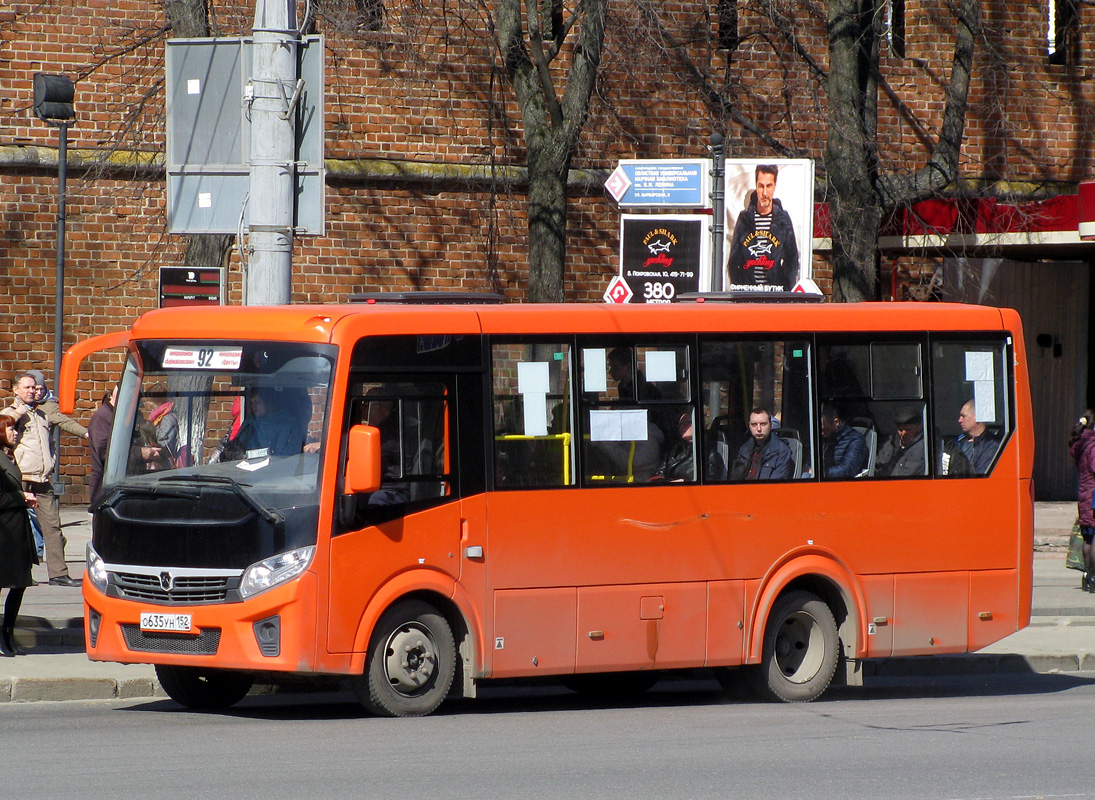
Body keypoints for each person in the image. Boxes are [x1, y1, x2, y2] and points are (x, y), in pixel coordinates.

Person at [1, 372, 83, 586]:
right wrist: (20, 411)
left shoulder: (42, 414)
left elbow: (50, 442)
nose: (31, 391)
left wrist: (52, 460)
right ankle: (21, 574)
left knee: (53, 526)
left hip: (42, 477)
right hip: (20, 479)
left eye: (33, 387)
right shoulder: (10, 414)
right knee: (18, 528)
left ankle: (58, 574)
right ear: (16, 390)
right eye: (26, 387)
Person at [727, 164, 800, 291]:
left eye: (769, 186)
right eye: (761, 186)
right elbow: (734, 260)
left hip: (775, 294)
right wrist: (741, 288)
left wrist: (786, 289)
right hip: (749, 294)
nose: (765, 192)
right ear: (756, 187)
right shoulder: (745, 219)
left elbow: (792, 259)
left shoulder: (782, 219)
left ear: (775, 186)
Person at [0, 414, 38, 655]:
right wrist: (21, 498)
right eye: (11, 429)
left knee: (20, 584)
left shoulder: (9, 456)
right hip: (4, 534)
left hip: (17, 533)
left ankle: (8, 633)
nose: (16, 433)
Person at [228, 386, 304, 458]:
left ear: (269, 402)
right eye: (252, 403)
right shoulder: (250, 422)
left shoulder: (287, 423)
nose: (254, 407)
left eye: (257, 402)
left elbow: (285, 456)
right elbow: (237, 445)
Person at [941, 398, 1002, 476]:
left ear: (977, 417)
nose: (959, 420)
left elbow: (981, 478)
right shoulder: (956, 443)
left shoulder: (991, 446)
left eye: (963, 416)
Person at [1069, 410, 1095, 591]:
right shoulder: (1093, 445)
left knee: (1089, 537)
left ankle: (1087, 576)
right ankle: (1093, 577)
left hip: (1085, 494)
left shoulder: (1081, 443)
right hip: (1094, 495)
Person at [730, 408, 793, 480]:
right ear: (749, 426)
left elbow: (776, 485)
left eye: (763, 424)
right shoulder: (744, 449)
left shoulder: (781, 451)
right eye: (754, 424)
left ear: (771, 425)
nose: (759, 429)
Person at [820, 402, 868, 478]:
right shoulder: (822, 439)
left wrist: (821, 473)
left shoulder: (856, 440)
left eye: (825, 430)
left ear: (836, 422)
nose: (822, 433)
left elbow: (847, 470)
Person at [87, 383, 118, 504]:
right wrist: (139, 453)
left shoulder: (120, 415)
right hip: (104, 485)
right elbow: (104, 451)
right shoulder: (102, 417)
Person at [876, 406, 926, 477]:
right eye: (900, 430)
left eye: (908, 430)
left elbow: (906, 474)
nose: (903, 434)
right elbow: (879, 461)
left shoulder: (923, 447)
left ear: (919, 428)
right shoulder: (892, 441)